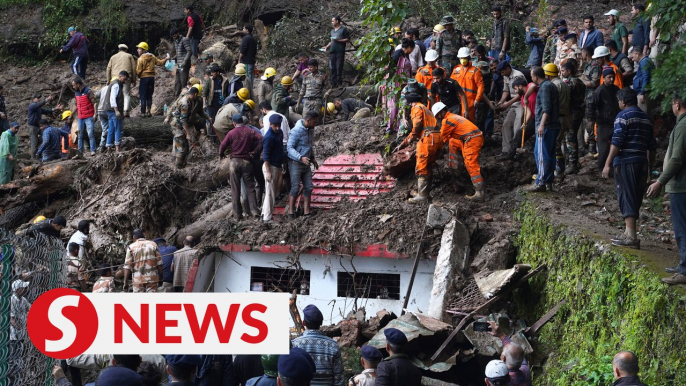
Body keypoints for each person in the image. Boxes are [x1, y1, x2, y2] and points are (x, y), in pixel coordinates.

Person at [601, 88, 655, 249]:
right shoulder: (646, 118)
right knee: (636, 195)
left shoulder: (622, 117)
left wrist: (607, 163)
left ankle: (631, 236)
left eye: (619, 101)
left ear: (623, 102)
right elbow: (652, 146)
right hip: (641, 162)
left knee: (626, 194)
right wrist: (650, 167)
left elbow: (617, 141)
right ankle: (628, 231)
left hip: (626, 161)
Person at [647, 96, 686, 284]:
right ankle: (683, 264)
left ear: (677, 104)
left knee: (682, 228)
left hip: (681, 185)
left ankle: (685, 271)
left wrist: (660, 182)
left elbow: (677, 158)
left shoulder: (683, 126)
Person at [394, 94, 442, 203]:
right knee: (428, 166)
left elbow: (418, 124)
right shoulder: (425, 108)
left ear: (411, 103)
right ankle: (426, 194)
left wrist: (408, 140)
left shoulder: (416, 108)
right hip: (437, 137)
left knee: (421, 166)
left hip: (428, 139)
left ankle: (422, 196)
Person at [434, 100, 485, 201]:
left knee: (470, 163)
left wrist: (434, 150)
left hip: (472, 139)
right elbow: (448, 137)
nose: (438, 119)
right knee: (453, 141)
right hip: (472, 137)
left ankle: (480, 192)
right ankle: (456, 169)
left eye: (437, 116)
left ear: (441, 112)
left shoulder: (447, 121)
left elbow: (441, 139)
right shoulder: (452, 116)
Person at [219, 113, 263, 219]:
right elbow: (262, 139)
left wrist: (221, 155)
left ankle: (237, 215)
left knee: (235, 190)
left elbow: (222, 145)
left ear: (234, 123)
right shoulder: (250, 131)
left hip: (234, 163)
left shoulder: (231, 133)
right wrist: (255, 151)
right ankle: (254, 211)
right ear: (242, 122)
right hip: (247, 162)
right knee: (250, 188)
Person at [291, 304, 344, 386]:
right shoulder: (333, 345)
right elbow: (339, 379)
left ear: (303, 322)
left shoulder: (295, 344)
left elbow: (290, 376)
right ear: (321, 323)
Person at [526, 66, 560, 192]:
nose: (531, 78)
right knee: (549, 154)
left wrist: (541, 125)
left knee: (541, 154)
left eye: (531, 75)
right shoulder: (551, 85)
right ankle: (549, 182)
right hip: (553, 125)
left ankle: (540, 182)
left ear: (536, 76)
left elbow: (547, 108)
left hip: (546, 126)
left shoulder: (545, 87)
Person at [287, 111, 319, 218]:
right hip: (295, 163)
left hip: (307, 163)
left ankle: (306, 212)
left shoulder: (310, 130)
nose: (315, 124)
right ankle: (291, 212)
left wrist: (313, 158)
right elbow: (289, 148)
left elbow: (309, 145)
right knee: (295, 187)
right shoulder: (295, 131)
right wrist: (300, 157)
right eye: (314, 122)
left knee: (309, 187)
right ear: (308, 121)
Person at [588, 68, 621, 171]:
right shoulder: (599, 91)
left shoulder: (616, 90)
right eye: (609, 77)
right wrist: (590, 120)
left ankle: (613, 167)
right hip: (603, 124)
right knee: (603, 148)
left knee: (616, 146)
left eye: (613, 77)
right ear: (604, 78)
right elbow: (591, 106)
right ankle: (601, 168)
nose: (611, 79)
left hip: (615, 123)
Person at [451, 47, 495, 123]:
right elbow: (451, 83)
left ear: (469, 57)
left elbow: (480, 86)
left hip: (470, 101)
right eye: (461, 58)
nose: (463, 60)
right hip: (457, 101)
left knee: (469, 122)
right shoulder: (456, 70)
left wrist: (477, 99)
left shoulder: (475, 71)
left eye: (464, 58)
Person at [543, 63, 571, 179]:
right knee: (559, 144)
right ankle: (559, 170)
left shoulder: (553, 86)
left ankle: (558, 170)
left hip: (558, 118)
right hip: (565, 117)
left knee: (555, 145)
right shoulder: (563, 84)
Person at [495, 61, 526, 160]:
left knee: (518, 126)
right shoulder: (506, 76)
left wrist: (507, 104)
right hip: (513, 103)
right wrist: (501, 102)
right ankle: (506, 150)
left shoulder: (518, 76)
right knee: (506, 124)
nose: (502, 74)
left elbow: (520, 94)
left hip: (521, 102)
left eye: (503, 72)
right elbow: (506, 90)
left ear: (508, 69)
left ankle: (516, 151)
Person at [560, 61, 586, 173]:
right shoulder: (580, 81)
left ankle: (572, 164)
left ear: (569, 71)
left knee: (570, 136)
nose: (561, 73)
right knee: (573, 134)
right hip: (579, 110)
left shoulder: (570, 82)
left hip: (573, 111)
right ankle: (574, 162)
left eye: (563, 71)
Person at [123, 228, 163, 293]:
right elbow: (159, 263)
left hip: (138, 280)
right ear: (144, 235)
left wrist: (125, 282)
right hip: (152, 279)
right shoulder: (153, 244)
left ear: (134, 238)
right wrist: (161, 276)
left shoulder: (131, 247)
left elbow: (127, 266)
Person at [170, 86, 201, 168]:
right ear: (195, 94)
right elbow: (183, 121)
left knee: (185, 147)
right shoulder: (185, 104)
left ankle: (182, 163)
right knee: (181, 148)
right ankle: (178, 167)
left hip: (181, 125)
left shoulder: (189, 100)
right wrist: (188, 133)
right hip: (178, 126)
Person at [262, 114, 285, 222]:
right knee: (271, 193)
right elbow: (266, 156)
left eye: (279, 125)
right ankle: (267, 218)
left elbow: (280, 149)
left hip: (277, 165)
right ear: (270, 124)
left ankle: (264, 213)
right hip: (270, 166)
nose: (278, 128)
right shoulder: (268, 137)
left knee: (270, 191)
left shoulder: (279, 133)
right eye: (275, 126)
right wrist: (268, 172)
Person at [136, 42, 169, 117]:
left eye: (139, 49)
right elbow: (160, 63)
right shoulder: (152, 56)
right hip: (151, 78)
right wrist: (166, 59)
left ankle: (143, 112)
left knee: (143, 95)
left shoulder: (140, 59)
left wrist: (138, 75)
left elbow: (138, 71)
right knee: (149, 95)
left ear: (144, 50)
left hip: (144, 78)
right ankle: (149, 111)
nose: (138, 50)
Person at [9, 279, 31, 385]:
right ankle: (14, 377)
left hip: (21, 332)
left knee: (20, 354)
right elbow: (12, 320)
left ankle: (19, 376)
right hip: (14, 334)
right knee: (14, 355)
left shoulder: (23, 299)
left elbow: (30, 308)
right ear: (18, 289)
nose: (26, 289)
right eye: (23, 287)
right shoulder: (12, 300)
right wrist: (21, 328)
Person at [28, 93, 62, 160]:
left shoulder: (38, 108)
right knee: (34, 143)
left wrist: (55, 108)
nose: (39, 99)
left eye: (39, 98)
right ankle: (33, 159)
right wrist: (47, 99)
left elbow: (46, 111)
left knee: (45, 139)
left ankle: (42, 154)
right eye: (37, 98)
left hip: (39, 127)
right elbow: (39, 104)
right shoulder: (32, 106)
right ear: (33, 99)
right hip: (33, 127)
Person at [106, 44, 137, 117]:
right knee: (126, 94)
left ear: (118, 50)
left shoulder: (113, 57)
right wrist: (134, 79)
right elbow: (133, 68)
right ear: (126, 50)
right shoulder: (129, 56)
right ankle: (126, 111)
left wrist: (108, 79)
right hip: (126, 78)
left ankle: (115, 111)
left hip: (114, 78)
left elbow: (108, 68)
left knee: (114, 95)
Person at [581, 46, 601, 155]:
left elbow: (594, 83)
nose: (581, 55)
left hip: (592, 97)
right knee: (588, 121)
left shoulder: (595, 66)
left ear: (586, 53)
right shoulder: (587, 65)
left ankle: (593, 147)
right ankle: (591, 145)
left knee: (591, 120)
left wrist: (582, 82)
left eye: (582, 53)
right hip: (586, 96)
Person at [322, 16, 350, 88]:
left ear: (337, 21)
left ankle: (339, 83)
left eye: (333, 21)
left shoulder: (343, 29)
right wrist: (326, 46)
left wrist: (339, 41)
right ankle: (333, 83)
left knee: (339, 67)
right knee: (332, 67)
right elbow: (331, 41)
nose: (332, 22)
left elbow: (347, 39)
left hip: (340, 51)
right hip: (332, 51)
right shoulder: (332, 31)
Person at [71, 77, 97, 156]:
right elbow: (77, 105)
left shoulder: (88, 91)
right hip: (80, 117)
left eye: (74, 85)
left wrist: (95, 114)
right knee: (80, 134)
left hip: (89, 116)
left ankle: (93, 150)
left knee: (90, 133)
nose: (73, 87)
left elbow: (94, 103)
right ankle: (80, 152)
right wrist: (71, 115)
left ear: (78, 84)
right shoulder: (76, 93)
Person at [105, 71, 130, 152]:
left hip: (109, 110)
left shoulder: (115, 84)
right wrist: (117, 111)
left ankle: (108, 147)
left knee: (111, 129)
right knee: (118, 129)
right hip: (113, 110)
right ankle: (117, 149)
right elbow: (112, 98)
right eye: (124, 79)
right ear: (120, 76)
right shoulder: (116, 84)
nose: (124, 81)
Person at [629, 46, 655, 115]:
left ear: (637, 54)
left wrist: (642, 93)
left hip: (644, 93)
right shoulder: (644, 61)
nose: (632, 60)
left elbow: (646, 77)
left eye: (632, 57)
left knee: (644, 114)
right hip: (643, 92)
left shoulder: (644, 62)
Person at [171, 28, 192, 98]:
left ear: (178, 33)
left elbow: (189, 51)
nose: (173, 37)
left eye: (174, 35)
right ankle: (176, 97)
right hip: (180, 64)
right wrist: (172, 59)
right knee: (177, 82)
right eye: (172, 36)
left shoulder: (184, 40)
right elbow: (179, 53)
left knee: (183, 81)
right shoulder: (176, 41)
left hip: (184, 65)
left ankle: (184, 97)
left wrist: (185, 61)